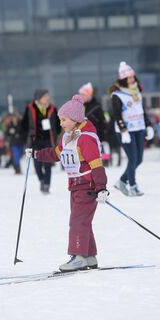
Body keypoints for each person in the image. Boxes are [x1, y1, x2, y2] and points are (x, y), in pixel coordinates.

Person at [25, 95, 108, 272]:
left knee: (77, 222)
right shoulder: (68, 137)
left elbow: (96, 164)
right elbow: (55, 154)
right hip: (75, 186)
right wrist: (36, 154)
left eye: (63, 119)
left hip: (88, 187)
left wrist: (101, 188)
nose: (61, 123)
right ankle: (89, 256)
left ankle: (78, 257)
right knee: (83, 221)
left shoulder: (86, 138)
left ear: (75, 119)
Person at [109, 61, 154, 196]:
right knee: (132, 158)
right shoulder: (117, 95)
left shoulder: (137, 92)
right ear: (122, 79)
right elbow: (116, 114)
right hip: (126, 131)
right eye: (128, 78)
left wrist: (149, 125)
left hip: (139, 128)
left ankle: (122, 181)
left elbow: (141, 111)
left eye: (132, 77)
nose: (131, 79)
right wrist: (123, 131)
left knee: (139, 159)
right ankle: (133, 185)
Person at [21, 89, 61, 194]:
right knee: (37, 163)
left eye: (47, 96)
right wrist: (27, 137)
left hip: (49, 139)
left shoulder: (52, 108)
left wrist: (56, 135)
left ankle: (47, 184)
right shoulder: (30, 108)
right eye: (45, 96)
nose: (47, 98)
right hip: (35, 140)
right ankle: (41, 180)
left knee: (48, 162)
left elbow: (57, 124)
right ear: (39, 98)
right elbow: (24, 124)